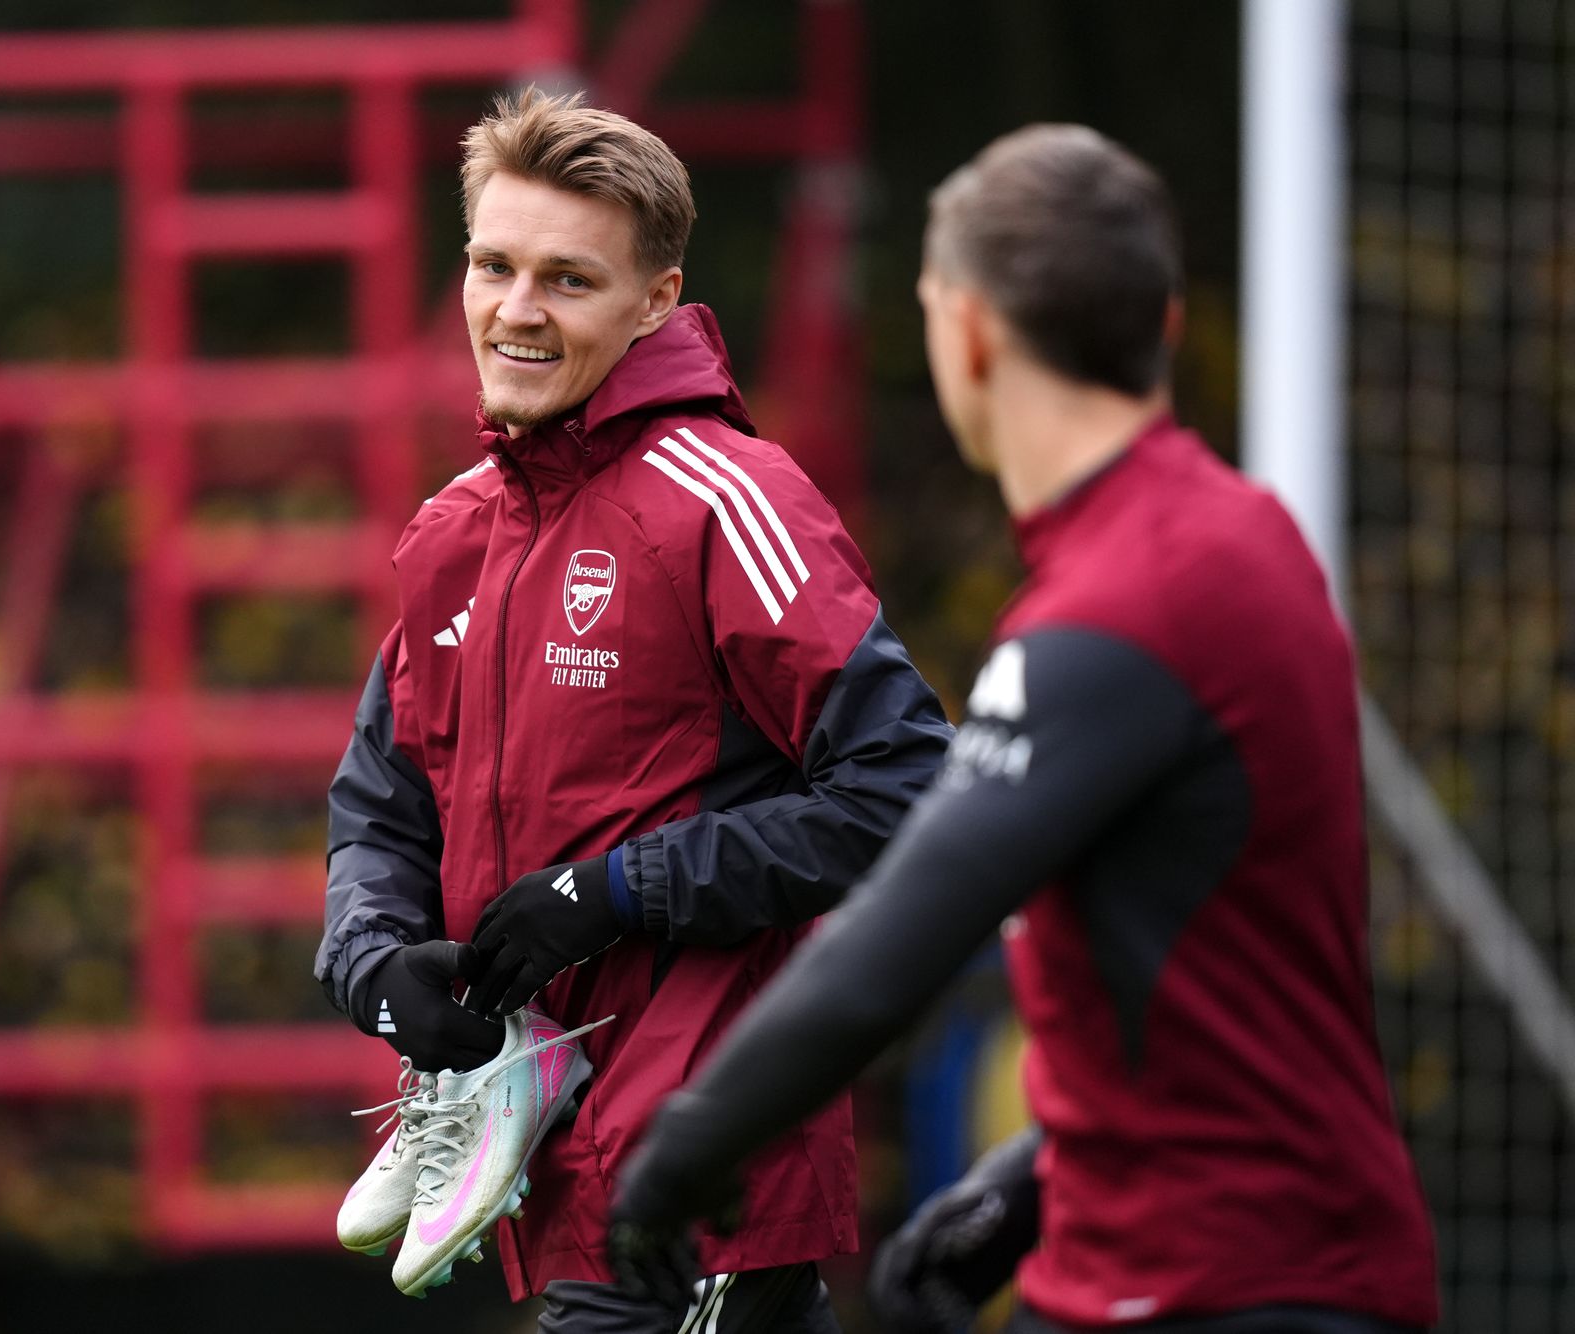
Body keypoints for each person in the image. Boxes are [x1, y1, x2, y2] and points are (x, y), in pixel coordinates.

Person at [608, 123, 1440, 1334]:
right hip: (1205, 1265)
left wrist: (682, 1147)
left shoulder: (1123, 603)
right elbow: (1208, 969)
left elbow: (890, 942)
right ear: (1161, 326)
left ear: (969, 334)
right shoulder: (1236, 537)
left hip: (1225, 1292)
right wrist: (1026, 1183)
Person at [313, 87, 953, 1328]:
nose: (515, 310)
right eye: (492, 265)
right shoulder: (452, 534)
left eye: (567, 279)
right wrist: (380, 971)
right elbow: (377, 815)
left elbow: (908, 785)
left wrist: (612, 889)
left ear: (657, 298)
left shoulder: (723, 496)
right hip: (553, 1189)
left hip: (701, 1181)